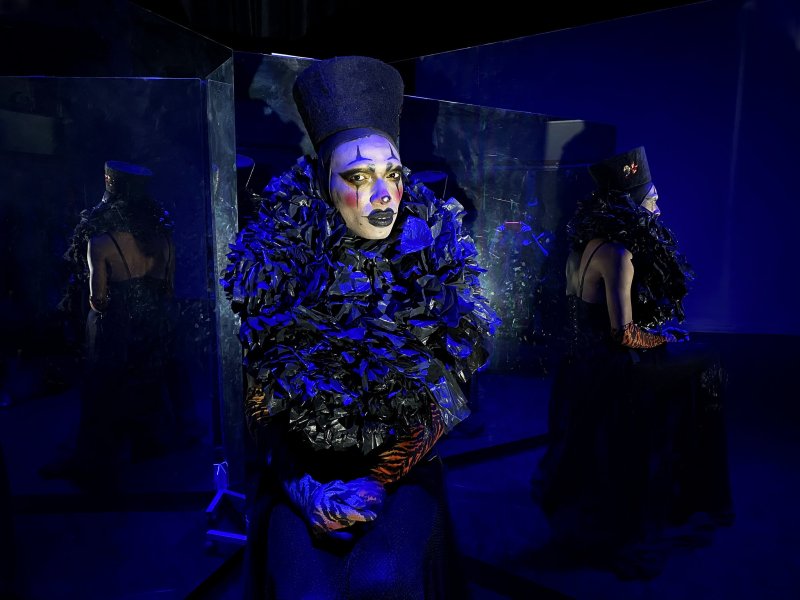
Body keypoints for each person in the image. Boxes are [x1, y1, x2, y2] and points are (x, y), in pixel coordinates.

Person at [221, 55, 500, 599]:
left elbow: (449, 398)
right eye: (358, 175)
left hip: (400, 476)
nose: (382, 195)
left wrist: (377, 479)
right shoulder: (273, 269)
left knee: (385, 578)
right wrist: (305, 491)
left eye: (392, 173)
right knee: (308, 590)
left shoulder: (437, 264)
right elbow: (258, 410)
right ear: (325, 182)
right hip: (299, 476)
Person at [531, 146, 734, 580]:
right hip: (610, 367)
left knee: (695, 360)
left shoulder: (586, 244)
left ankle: (690, 494)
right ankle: (698, 497)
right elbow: (624, 334)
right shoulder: (618, 255)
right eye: (653, 197)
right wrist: (664, 339)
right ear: (633, 202)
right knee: (707, 365)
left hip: (580, 365)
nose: (659, 206)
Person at [41, 161, 180, 490]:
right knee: (143, 386)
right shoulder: (163, 240)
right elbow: (168, 290)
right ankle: (147, 449)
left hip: (113, 325)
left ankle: (94, 463)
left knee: (102, 393)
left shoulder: (101, 242)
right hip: (151, 323)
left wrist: (102, 307)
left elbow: (98, 299)